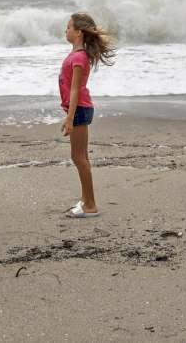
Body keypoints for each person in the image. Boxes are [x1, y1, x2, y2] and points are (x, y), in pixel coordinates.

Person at [60, 12, 116, 218]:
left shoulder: (79, 57)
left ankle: (91, 204)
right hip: (79, 109)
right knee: (81, 157)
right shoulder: (76, 54)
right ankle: (85, 200)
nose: (66, 30)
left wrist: (69, 117)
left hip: (79, 109)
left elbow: (75, 90)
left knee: (78, 157)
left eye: (69, 27)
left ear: (79, 32)